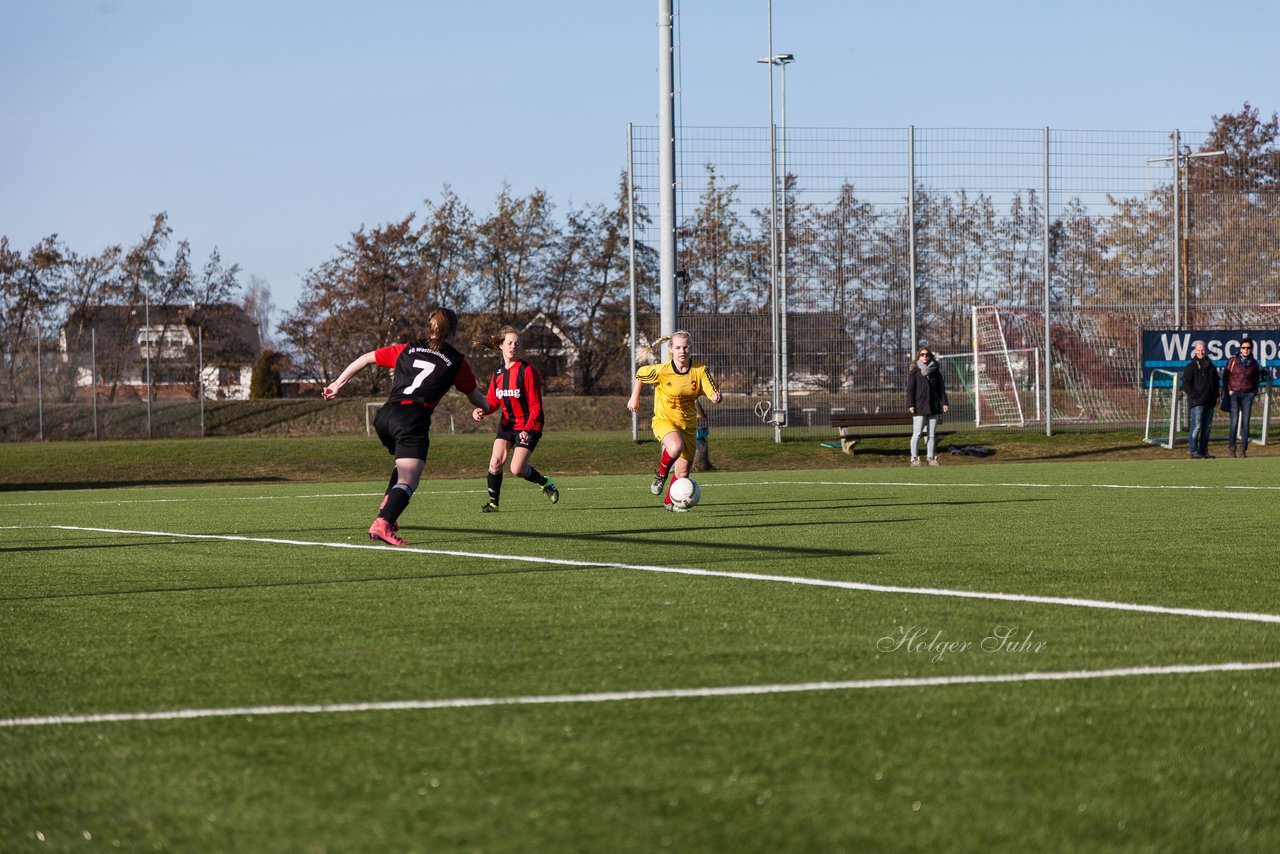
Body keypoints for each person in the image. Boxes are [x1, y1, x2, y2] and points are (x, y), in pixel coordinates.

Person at [322, 307, 489, 546]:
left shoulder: (407, 348)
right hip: (412, 418)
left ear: (430, 328)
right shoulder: (457, 361)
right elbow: (475, 397)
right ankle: (383, 523)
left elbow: (365, 358)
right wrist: (492, 406)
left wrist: (338, 384)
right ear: (453, 330)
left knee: (403, 465)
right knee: (410, 480)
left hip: (385, 416)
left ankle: (389, 502)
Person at [627, 330, 722, 511]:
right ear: (671, 349)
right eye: (678, 347)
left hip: (688, 426)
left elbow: (711, 390)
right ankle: (660, 476)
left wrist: (715, 396)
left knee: (682, 474)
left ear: (691, 348)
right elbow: (640, 374)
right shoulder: (663, 370)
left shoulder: (700, 370)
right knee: (675, 446)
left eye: (685, 347)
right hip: (664, 421)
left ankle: (670, 503)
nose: (682, 351)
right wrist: (634, 398)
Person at [471, 325, 559, 511]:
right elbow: (493, 402)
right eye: (509, 343)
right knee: (495, 462)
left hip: (530, 423)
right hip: (508, 423)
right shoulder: (498, 374)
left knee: (517, 469)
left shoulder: (527, 371)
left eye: (516, 344)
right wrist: (482, 411)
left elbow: (536, 405)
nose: (513, 346)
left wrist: (527, 429)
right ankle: (493, 504)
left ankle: (545, 482)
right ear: (501, 345)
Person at [906, 346, 950, 467]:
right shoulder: (914, 372)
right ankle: (914, 458)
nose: (925, 356)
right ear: (919, 356)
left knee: (931, 434)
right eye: (922, 354)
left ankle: (930, 458)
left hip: (934, 406)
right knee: (917, 433)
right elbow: (910, 390)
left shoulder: (936, 371)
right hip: (919, 406)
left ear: (930, 356)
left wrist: (945, 402)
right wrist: (911, 405)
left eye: (927, 355)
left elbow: (941, 389)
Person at [1221, 339, 1261, 458]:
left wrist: (1252, 393)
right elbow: (1225, 377)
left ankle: (1243, 450)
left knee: (1246, 423)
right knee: (1234, 423)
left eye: (1248, 348)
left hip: (1247, 395)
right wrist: (1230, 390)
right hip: (1235, 395)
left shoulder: (1254, 364)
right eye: (1243, 348)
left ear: (1251, 349)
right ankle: (1232, 449)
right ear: (1240, 349)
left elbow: (1256, 381)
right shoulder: (1233, 360)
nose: (1245, 350)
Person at [1181, 340, 1220, 460]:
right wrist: (1194, 395)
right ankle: (1194, 451)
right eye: (1198, 350)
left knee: (1207, 428)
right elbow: (1186, 384)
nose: (1201, 352)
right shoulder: (1191, 366)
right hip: (1197, 403)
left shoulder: (1211, 366)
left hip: (1209, 402)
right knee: (1196, 426)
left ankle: (1204, 451)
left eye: (1202, 350)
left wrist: (1216, 396)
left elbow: (1216, 382)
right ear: (1194, 351)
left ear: (1206, 350)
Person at [692, 398, 715, 472]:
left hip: (699, 433)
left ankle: (698, 465)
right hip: (695, 432)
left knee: (699, 448)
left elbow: (700, 415)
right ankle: (696, 466)